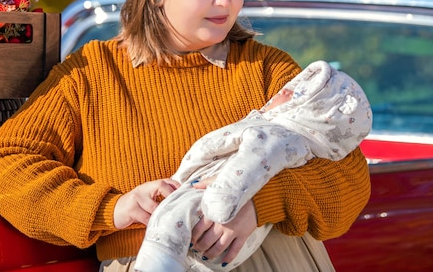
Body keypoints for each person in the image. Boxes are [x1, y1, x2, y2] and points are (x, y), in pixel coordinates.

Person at [0, 0, 371, 272]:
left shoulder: (267, 68)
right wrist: (113, 207)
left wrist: (256, 206)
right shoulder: (90, 75)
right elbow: (0, 170)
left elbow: (349, 178)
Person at [134, 60, 372, 271]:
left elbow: (351, 184)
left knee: (176, 217)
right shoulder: (97, 66)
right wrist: (113, 208)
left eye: (288, 93)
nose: (225, 5)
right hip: (160, 253)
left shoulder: (269, 65)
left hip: (271, 256)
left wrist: (259, 200)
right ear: (154, 5)